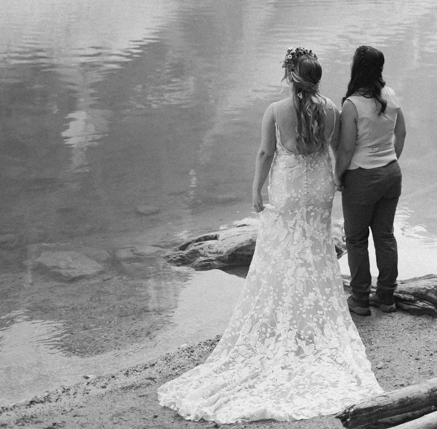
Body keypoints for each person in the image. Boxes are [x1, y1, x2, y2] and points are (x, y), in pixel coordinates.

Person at [158, 46, 382, 422]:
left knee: (279, 254)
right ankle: (312, 324)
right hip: (319, 188)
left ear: (289, 75)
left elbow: (265, 154)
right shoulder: (331, 108)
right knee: (314, 253)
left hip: (290, 186)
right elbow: (336, 148)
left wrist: (256, 191)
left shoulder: (275, 111)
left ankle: (282, 320)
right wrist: (338, 179)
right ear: (315, 77)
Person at [335, 45, 406, 317]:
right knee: (385, 236)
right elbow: (402, 133)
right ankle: (386, 297)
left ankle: (360, 300)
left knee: (356, 240)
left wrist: (338, 176)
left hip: (362, 177)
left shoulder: (352, 104)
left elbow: (345, 149)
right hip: (391, 173)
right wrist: (391, 160)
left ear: (357, 68)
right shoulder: (390, 95)